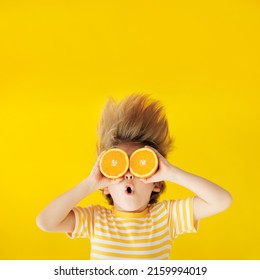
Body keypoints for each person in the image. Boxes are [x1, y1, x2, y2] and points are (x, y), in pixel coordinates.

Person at [36, 93, 232, 260]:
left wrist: (172, 173)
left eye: (139, 166)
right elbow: (45, 222)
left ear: (156, 184)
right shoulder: (95, 219)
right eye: (119, 167)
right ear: (106, 185)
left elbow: (222, 201)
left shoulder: (167, 217)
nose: (128, 174)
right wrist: (89, 184)